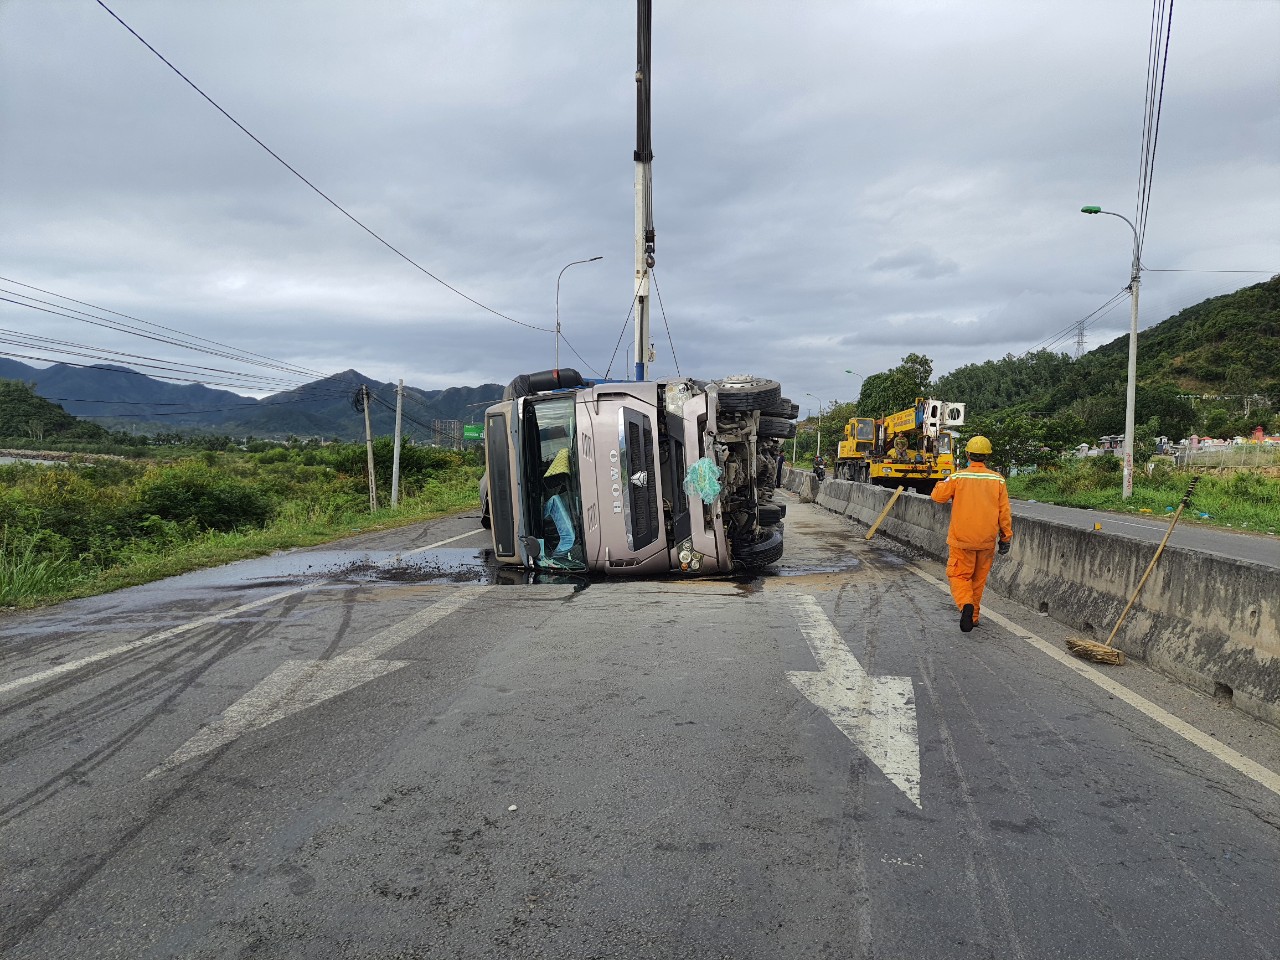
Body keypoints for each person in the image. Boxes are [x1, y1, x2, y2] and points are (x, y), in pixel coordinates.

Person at [929, 435, 1012, 633]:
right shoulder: (998, 480)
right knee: (978, 580)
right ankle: (973, 617)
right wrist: (1006, 538)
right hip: (987, 541)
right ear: (987, 457)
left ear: (967, 454)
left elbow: (937, 497)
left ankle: (966, 604)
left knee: (959, 575)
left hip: (961, 540)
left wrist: (944, 481)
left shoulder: (958, 477)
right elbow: (1004, 513)